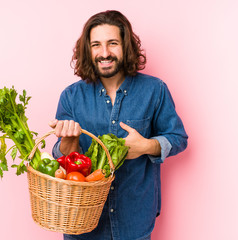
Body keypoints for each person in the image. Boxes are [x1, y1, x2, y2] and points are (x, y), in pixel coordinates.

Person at [49, 10, 188, 240]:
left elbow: (178, 137)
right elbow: (62, 158)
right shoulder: (71, 97)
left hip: (134, 220)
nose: (104, 53)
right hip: (82, 223)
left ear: (125, 46)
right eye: (96, 45)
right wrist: (68, 144)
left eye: (112, 43)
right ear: (88, 49)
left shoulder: (155, 90)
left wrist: (146, 146)